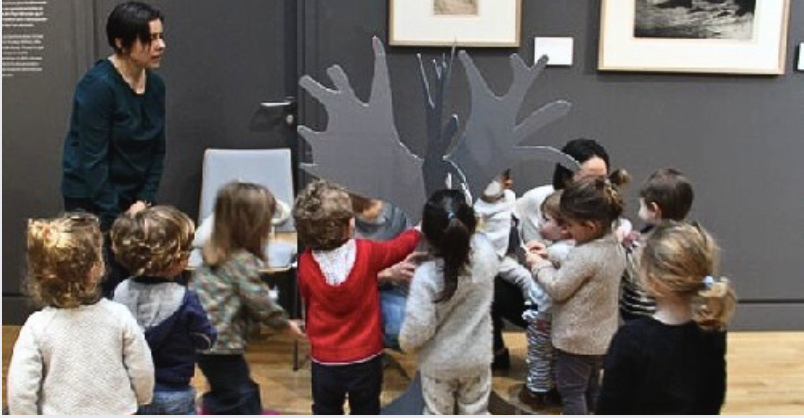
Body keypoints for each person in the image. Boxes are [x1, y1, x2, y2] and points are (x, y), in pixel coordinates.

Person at [61, 1, 167, 296]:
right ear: (121, 42)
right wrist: (117, 219)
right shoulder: (98, 86)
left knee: (140, 284)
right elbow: (92, 160)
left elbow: (158, 148)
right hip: (94, 199)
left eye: (160, 36)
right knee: (102, 286)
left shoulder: (156, 86)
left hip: (134, 200)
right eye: (150, 39)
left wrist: (144, 200)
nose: (160, 45)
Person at [494, 138, 628, 369]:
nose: (598, 187)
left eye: (603, 180)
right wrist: (540, 262)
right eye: (590, 179)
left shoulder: (603, 211)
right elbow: (529, 255)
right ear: (567, 177)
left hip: (584, 307)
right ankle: (498, 353)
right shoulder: (537, 201)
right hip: (545, 292)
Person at [293, 180, 421, 415]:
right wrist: (419, 230)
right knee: (366, 408)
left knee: (325, 409)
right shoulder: (366, 252)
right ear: (346, 227)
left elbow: (308, 302)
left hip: (324, 359)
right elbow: (399, 248)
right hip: (365, 357)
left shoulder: (305, 263)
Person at [7, 212, 154, 415]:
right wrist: (143, 397)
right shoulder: (119, 315)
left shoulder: (37, 326)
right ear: (96, 268)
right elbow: (142, 367)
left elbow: (21, 388)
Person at [597, 221, 735, 414]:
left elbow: (610, 407)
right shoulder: (712, 329)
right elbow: (713, 398)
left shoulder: (631, 338)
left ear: (653, 282)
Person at [191, 182, 305, 414]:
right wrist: (284, 325)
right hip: (222, 345)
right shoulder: (242, 261)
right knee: (241, 395)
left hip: (201, 341)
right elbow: (260, 303)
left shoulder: (211, 250)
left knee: (226, 389)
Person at [525, 176, 627, 415]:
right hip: (600, 338)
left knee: (571, 392)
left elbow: (558, 287)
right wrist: (549, 254)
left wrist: (537, 265)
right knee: (591, 388)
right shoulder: (613, 246)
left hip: (575, 340)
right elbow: (582, 268)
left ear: (590, 226)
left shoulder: (585, 254)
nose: (566, 231)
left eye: (569, 226)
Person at [399, 189, 499, 415]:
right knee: (477, 412)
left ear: (427, 234)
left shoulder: (426, 277)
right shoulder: (487, 255)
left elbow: (418, 329)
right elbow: (464, 262)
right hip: (477, 358)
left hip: (439, 364)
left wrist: (405, 344)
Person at [110, 205, 217, 414]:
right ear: (175, 259)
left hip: (131, 391)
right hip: (174, 392)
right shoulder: (186, 301)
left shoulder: (119, 293)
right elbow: (206, 339)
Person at [517, 190, 573, 407]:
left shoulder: (560, 252)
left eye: (547, 219)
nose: (541, 223)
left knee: (539, 354)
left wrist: (534, 260)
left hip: (543, 315)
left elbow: (550, 269)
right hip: (561, 319)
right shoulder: (574, 249)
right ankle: (556, 389)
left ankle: (537, 392)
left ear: (565, 226)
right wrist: (546, 252)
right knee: (558, 356)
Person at [620, 168, 695, 321]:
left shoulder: (641, 245)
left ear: (654, 209)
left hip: (639, 314)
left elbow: (629, 275)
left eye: (641, 205)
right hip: (678, 313)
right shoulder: (691, 240)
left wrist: (623, 248)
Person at [351, 193, 421, 350]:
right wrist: (386, 273)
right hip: (352, 290)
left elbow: (411, 249)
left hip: (393, 286)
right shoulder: (337, 212)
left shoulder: (397, 208)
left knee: (403, 332)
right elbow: (342, 277)